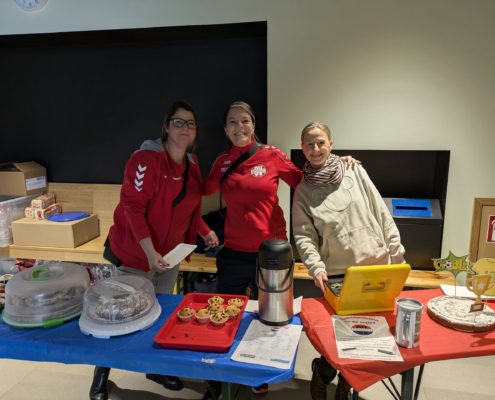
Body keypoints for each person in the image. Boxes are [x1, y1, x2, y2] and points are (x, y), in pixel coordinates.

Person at [201, 102, 358, 400]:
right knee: (225, 317)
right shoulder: (222, 161)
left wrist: (337, 163)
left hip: (271, 254)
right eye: (232, 122)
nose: (239, 127)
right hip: (233, 252)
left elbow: (306, 179)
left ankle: (259, 374)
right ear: (225, 129)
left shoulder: (271, 155)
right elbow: (202, 190)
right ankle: (219, 380)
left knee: (269, 321)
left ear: (253, 125)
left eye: (244, 121)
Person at [89, 100, 218, 400]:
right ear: (166, 126)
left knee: (159, 312)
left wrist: (205, 230)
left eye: (190, 123)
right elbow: (132, 208)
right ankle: (101, 373)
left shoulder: (192, 163)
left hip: (169, 256)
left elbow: (188, 206)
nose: (185, 128)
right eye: (178, 122)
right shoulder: (146, 159)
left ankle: (155, 367)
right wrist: (148, 251)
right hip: (137, 253)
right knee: (120, 315)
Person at [292, 121, 405, 400]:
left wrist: (397, 252)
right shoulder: (303, 191)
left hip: (376, 268)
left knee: (366, 337)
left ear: (331, 143)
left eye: (321, 142)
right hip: (338, 275)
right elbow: (304, 236)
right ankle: (323, 372)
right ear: (303, 149)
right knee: (338, 338)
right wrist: (316, 267)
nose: (316, 148)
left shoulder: (354, 170)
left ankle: (346, 384)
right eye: (309, 144)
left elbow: (381, 212)